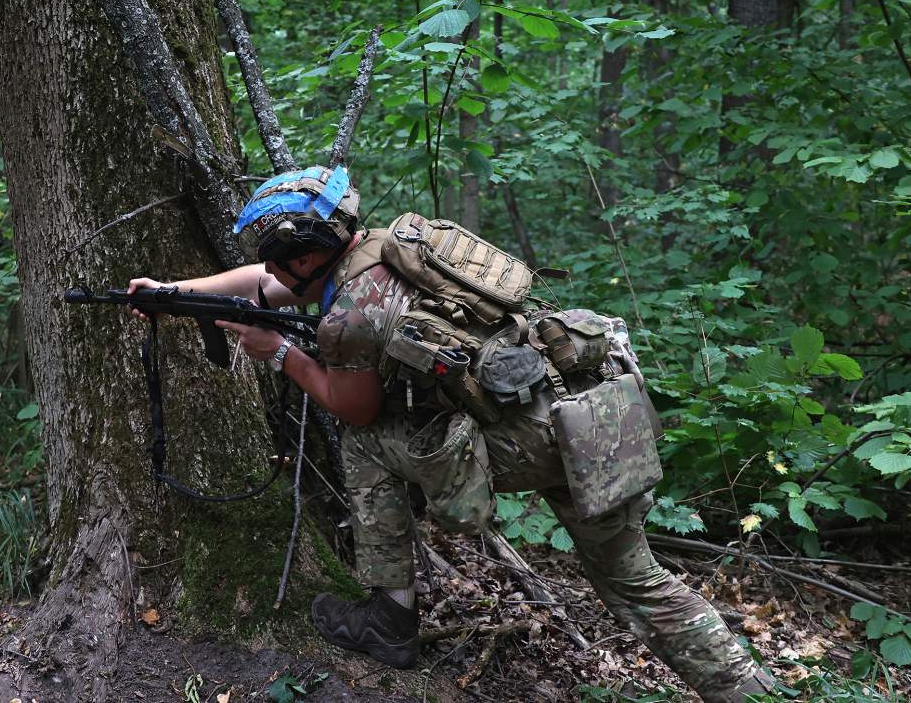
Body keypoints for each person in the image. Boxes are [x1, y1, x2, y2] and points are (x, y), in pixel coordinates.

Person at [128, 166, 775, 702]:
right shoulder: (388, 249)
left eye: (277, 256)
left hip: (545, 440)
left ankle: (390, 618)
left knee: (365, 441)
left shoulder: (350, 314)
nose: (271, 271)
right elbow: (268, 288)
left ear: (303, 252)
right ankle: (750, 691)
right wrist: (174, 292)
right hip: (595, 410)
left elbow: (349, 407)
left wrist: (276, 353)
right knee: (637, 580)